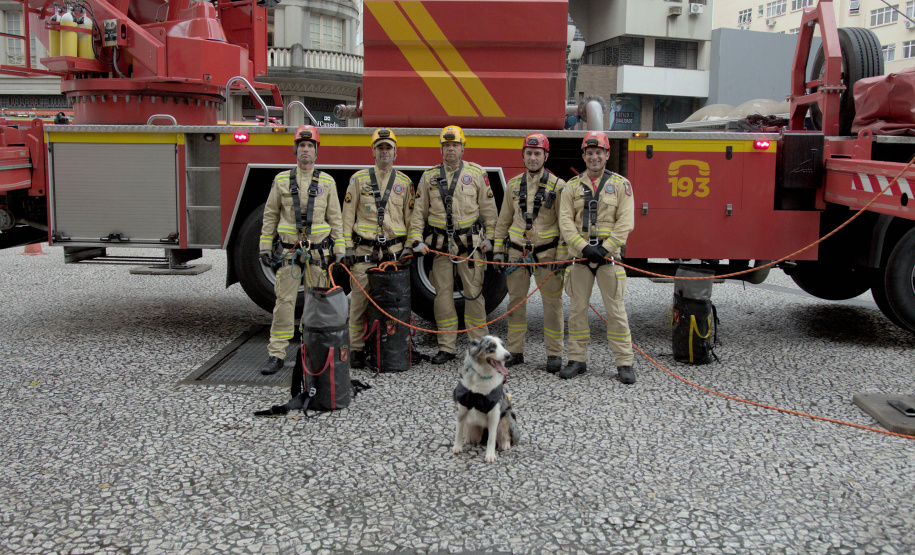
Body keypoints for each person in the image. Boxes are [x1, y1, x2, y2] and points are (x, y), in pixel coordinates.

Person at [258, 125, 345, 375]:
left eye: (310, 146)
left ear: (316, 152)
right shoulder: (282, 180)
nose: (306, 150)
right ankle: (276, 354)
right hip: (288, 252)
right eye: (302, 146)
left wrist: (339, 248)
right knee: (284, 302)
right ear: (295, 150)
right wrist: (265, 246)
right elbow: (270, 215)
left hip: (317, 255)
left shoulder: (327, 182)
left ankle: (312, 352)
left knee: (315, 305)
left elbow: (335, 218)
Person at [409, 125, 498, 365]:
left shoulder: (477, 174)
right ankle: (446, 347)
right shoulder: (429, 177)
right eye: (446, 145)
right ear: (441, 148)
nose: (451, 149)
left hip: (470, 247)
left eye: (455, 145)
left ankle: (480, 347)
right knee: (443, 298)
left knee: (474, 296)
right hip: (439, 248)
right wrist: (415, 239)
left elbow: (489, 211)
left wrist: (490, 239)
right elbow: (419, 213)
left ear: (463, 147)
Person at [557, 131, 636, 383]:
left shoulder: (622, 186)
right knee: (578, 310)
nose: (594, 157)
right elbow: (566, 222)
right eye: (589, 153)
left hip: (609, 258)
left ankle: (624, 363)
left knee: (616, 311)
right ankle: (577, 360)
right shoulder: (571, 187)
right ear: (583, 155)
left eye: (598, 152)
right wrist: (583, 247)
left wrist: (606, 248)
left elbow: (626, 222)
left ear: (607, 155)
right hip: (580, 258)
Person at [493, 132, 567, 373]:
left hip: (548, 255)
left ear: (546, 156)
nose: (533, 157)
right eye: (529, 153)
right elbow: (503, 221)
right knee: (515, 303)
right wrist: (497, 251)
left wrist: (562, 256)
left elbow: (565, 224)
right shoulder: (513, 185)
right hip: (516, 253)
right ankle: (515, 351)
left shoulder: (559, 186)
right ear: (523, 156)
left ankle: (554, 353)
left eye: (537, 153)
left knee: (552, 305)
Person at [341, 128, 414, 368]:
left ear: (396, 153)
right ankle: (357, 349)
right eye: (380, 147)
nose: (385, 152)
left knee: (394, 304)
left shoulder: (404, 183)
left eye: (388, 148)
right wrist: (347, 248)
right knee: (359, 303)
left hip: (394, 257)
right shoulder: (358, 180)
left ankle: (389, 347)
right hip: (363, 254)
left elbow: (412, 220)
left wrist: (410, 248)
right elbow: (346, 218)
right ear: (373, 152)